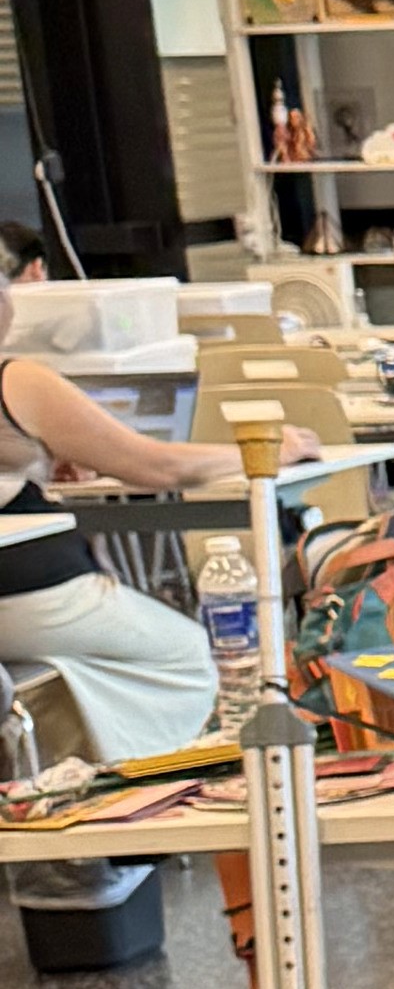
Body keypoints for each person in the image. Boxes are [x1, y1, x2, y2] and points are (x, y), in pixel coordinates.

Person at [0, 322, 219, 756]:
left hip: (23, 603)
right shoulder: (16, 378)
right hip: (31, 593)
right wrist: (272, 447)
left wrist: (40, 464)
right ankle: (149, 780)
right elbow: (159, 469)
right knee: (186, 654)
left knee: (84, 661)